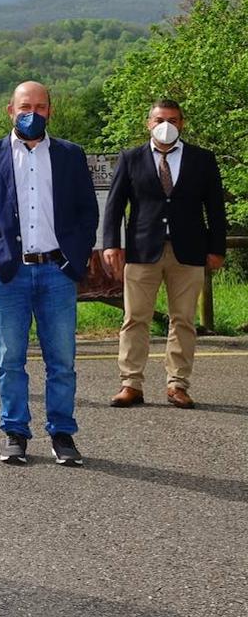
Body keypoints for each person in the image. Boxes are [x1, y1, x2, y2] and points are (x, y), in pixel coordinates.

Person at [0, 81, 97, 467]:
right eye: (24, 106)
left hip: (57, 272)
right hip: (8, 274)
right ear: (10, 109)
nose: (31, 113)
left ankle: (63, 434)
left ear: (50, 110)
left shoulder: (70, 155)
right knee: (10, 359)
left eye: (39, 106)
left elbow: (88, 212)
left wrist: (77, 257)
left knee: (62, 360)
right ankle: (15, 433)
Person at [101, 99, 227, 409]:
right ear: (148, 123)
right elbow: (115, 205)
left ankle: (178, 385)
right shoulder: (131, 158)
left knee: (183, 320)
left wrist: (217, 248)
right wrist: (110, 244)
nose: (165, 124)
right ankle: (131, 383)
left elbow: (215, 208)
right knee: (134, 319)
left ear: (182, 123)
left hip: (189, 252)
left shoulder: (202, 159)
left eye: (172, 119)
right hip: (142, 252)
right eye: (159, 119)